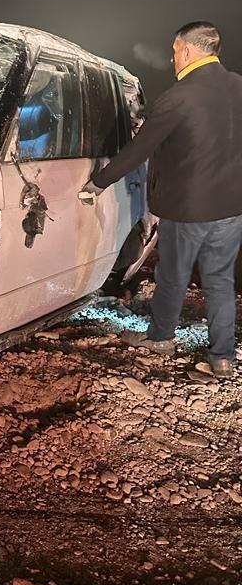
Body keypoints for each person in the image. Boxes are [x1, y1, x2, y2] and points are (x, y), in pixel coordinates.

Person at [86, 21, 242, 377]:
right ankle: (222, 357)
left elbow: (138, 151)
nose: (173, 59)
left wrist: (99, 182)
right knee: (220, 280)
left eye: (175, 52)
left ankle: (161, 337)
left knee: (172, 274)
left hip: (186, 208)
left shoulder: (178, 96)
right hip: (232, 208)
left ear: (187, 50)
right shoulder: (239, 86)